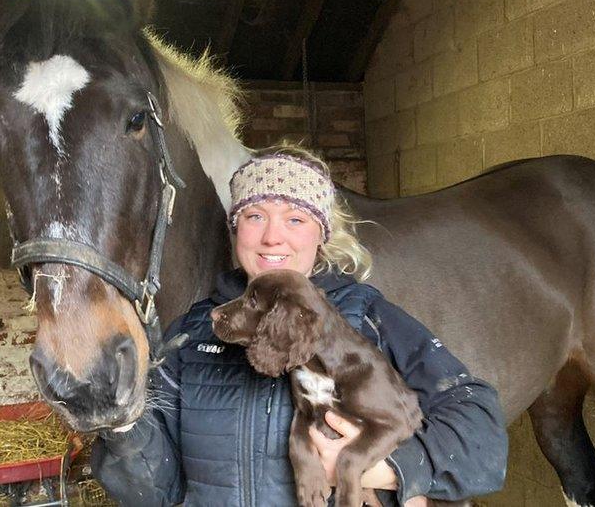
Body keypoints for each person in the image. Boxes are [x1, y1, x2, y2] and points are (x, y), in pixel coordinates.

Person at [92, 146, 508, 506]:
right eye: (255, 215)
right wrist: (121, 423)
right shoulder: (194, 333)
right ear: (236, 230)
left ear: (321, 234)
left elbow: (482, 436)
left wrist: (390, 468)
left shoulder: (369, 318)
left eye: (295, 219)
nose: (273, 237)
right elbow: (151, 492)